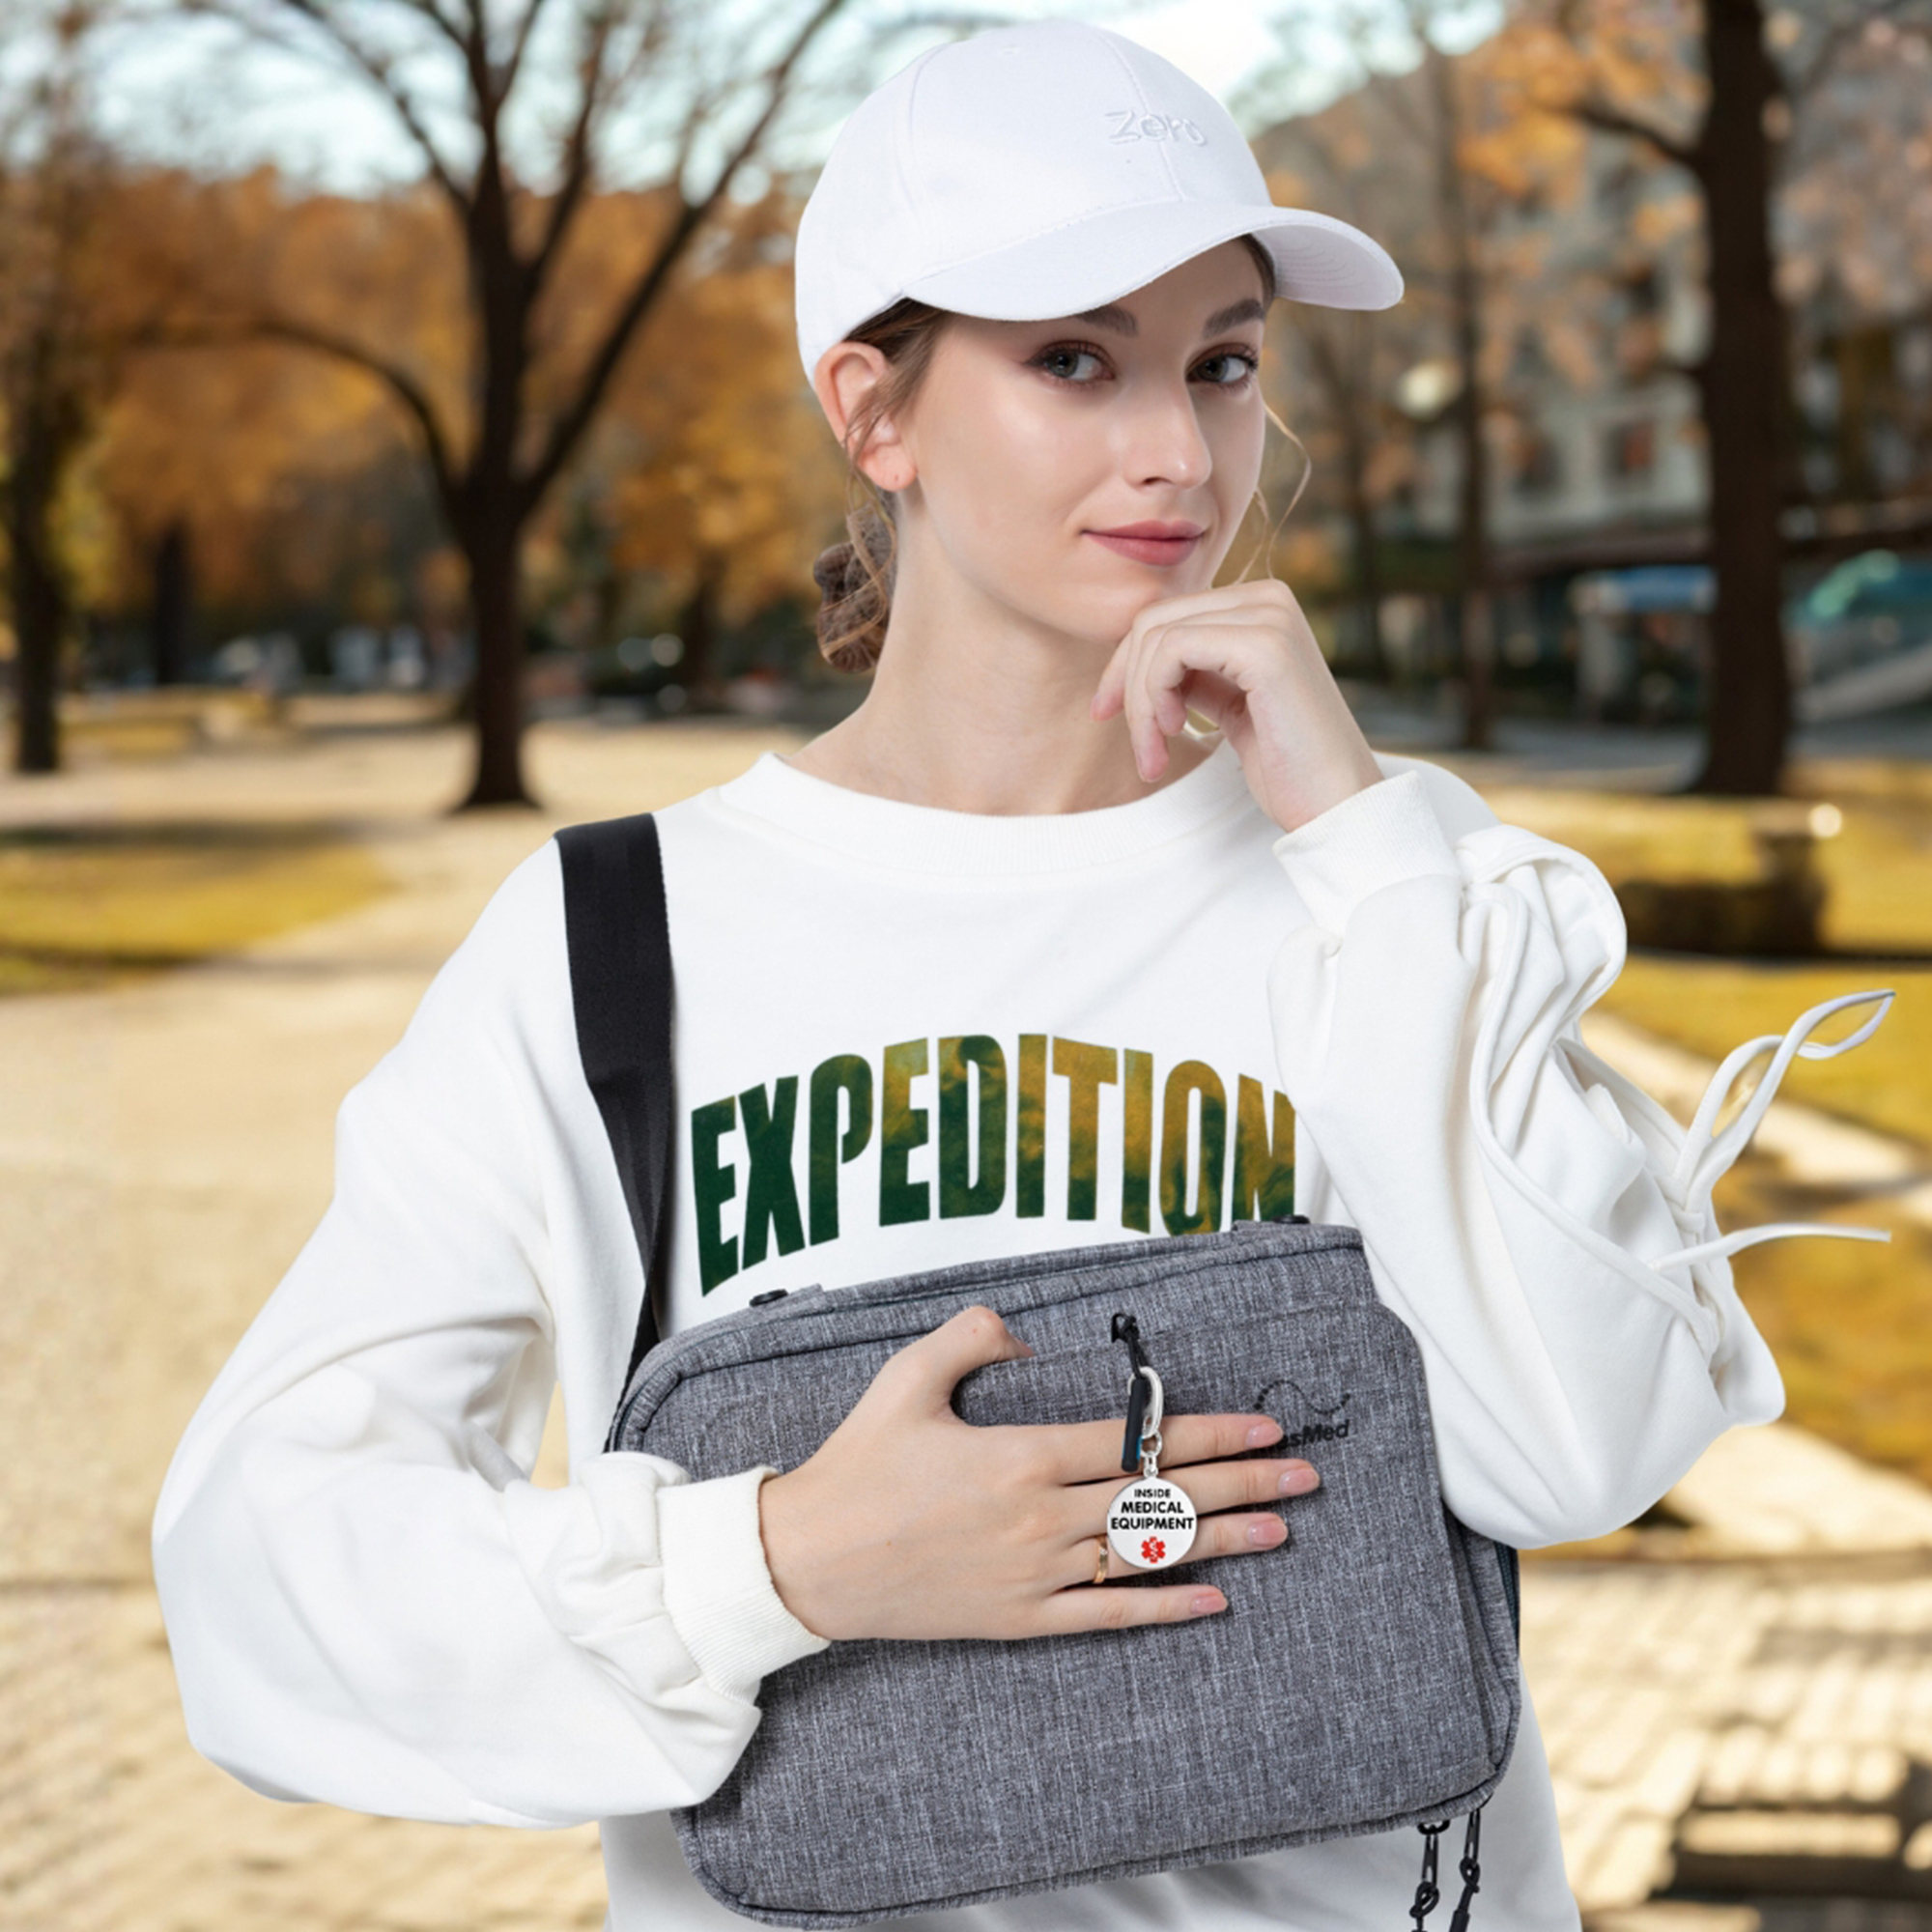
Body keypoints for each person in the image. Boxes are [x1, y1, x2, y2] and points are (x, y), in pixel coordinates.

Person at [153, 19, 1890, 1931]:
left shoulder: (1392, 879)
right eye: (1074, 358)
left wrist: (1361, 838)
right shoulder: (611, 938)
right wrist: (777, 1562)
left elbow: (1582, 1454)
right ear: (873, 411)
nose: (1179, 452)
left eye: (1222, 362)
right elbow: (260, 1569)